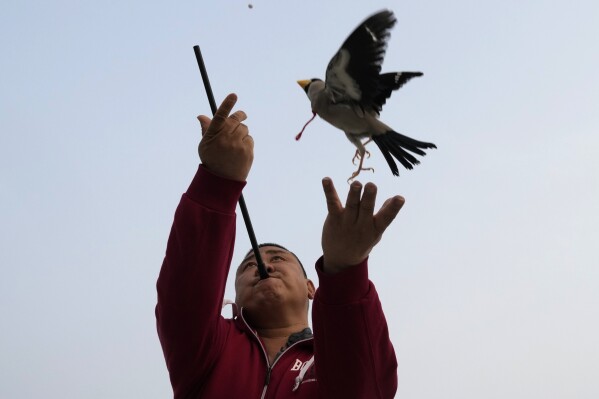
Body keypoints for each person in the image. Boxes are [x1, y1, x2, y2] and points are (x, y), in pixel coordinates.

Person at [156, 94, 405, 398]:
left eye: (278, 258)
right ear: (233, 296)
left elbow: (364, 387)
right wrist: (218, 182)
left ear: (311, 287)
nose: (265, 266)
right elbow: (185, 296)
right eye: (248, 266)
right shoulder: (208, 350)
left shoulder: (328, 359)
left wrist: (345, 269)